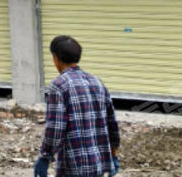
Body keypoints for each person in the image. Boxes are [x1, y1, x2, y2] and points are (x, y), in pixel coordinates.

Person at [34, 36, 120, 177]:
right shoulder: (97, 82)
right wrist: (114, 155)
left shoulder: (58, 86)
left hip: (73, 166)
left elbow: (55, 128)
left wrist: (45, 156)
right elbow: (112, 124)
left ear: (55, 58)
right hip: (98, 164)